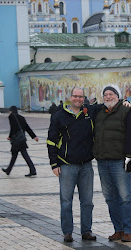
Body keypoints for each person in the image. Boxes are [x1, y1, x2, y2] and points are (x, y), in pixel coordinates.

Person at [47, 87, 99, 243]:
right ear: (70, 97)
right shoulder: (59, 116)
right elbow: (51, 141)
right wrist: (54, 163)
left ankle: (86, 231)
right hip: (67, 165)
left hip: (86, 166)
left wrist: (124, 102)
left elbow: (108, 104)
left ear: (84, 98)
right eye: (75, 96)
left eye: (80, 96)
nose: (77, 99)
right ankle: (68, 232)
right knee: (66, 201)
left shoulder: (89, 112)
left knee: (87, 201)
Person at [92, 85, 131, 242]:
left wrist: (130, 159)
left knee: (126, 197)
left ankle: (129, 230)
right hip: (103, 162)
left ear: (118, 96)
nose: (108, 96)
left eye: (111, 94)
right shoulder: (99, 113)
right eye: (105, 94)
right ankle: (118, 229)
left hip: (120, 161)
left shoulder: (127, 111)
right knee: (110, 198)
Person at [2, 106, 38, 177]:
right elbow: (27, 128)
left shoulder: (11, 116)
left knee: (17, 155)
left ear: (11, 111)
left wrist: (10, 136)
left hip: (16, 140)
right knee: (20, 155)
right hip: (22, 140)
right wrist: (34, 136)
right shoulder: (21, 117)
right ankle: (9, 170)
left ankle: (9, 170)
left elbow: (13, 128)